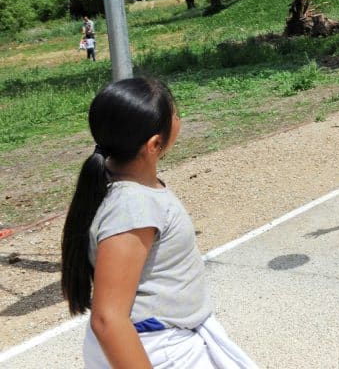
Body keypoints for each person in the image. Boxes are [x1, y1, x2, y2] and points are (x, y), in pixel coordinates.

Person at [60, 78, 257, 368]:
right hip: (157, 350)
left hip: (162, 340)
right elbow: (108, 318)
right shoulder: (134, 206)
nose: (180, 119)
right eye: (176, 115)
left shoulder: (119, 186)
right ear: (154, 144)